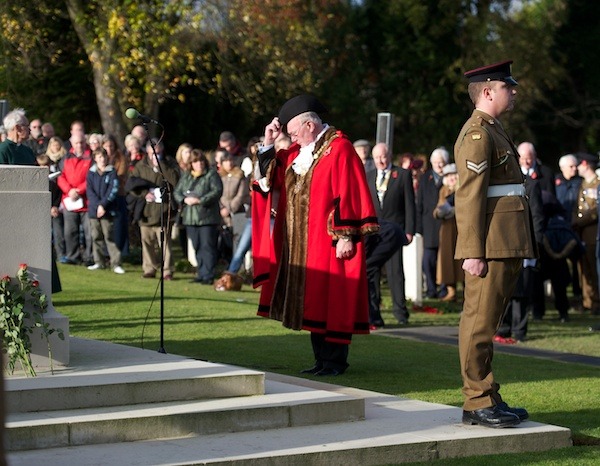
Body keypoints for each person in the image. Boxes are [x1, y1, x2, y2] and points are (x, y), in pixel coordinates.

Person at [252, 94, 378, 376]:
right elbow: (266, 179)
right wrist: (269, 142)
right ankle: (321, 360)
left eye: (294, 132)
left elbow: (350, 191)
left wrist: (346, 235)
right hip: (300, 245)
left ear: (309, 125)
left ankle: (334, 361)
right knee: (313, 302)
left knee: (332, 300)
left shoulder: (340, 148)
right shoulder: (297, 154)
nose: (292, 139)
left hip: (329, 242)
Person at [454, 60, 536, 428]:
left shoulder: (494, 130)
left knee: (489, 322)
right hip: (490, 244)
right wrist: (472, 251)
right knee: (479, 323)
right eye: (508, 86)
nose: (514, 91)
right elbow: (469, 196)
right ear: (488, 91)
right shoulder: (477, 134)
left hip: (505, 241)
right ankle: (476, 399)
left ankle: (487, 394)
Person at [367, 142, 415, 324]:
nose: (381, 160)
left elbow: (410, 205)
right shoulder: (368, 175)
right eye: (377, 157)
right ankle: (374, 314)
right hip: (374, 232)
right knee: (373, 274)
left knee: (395, 273)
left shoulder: (402, 175)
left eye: (384, 156)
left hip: (395, 233)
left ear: (390, 155)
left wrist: (409, 230)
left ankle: (400, 313)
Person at [126, 140, 180, 280]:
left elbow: (175, 181)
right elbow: (131, 185)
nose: (154, 155)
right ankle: (149, 268)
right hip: (146, 210)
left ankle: (167, 270)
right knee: (147, 241)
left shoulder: (169, 164)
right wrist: (144, 194)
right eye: (151, 153)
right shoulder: (141, 165)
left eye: (157, 152)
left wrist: (161, 165)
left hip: (164, 209)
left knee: (165, 243)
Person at [174, 150, 223, 284]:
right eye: (195, 161)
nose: (199, 164)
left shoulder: (211, 174)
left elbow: (217, 191)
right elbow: (177, 191)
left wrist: (201, 200)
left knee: (207, 246)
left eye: (201, 161)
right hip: (190, 217)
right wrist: (184, 200)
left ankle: (208, 275)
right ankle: (201, 273)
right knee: (196, 245)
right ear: (191, 164)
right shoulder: (186, 176)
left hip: (207, 217)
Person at [56, 132, 93, 265]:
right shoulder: (66, 157)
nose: (79, 145)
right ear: (72, 143)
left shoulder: (91, 158)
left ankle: (89, 258)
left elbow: (91, 177)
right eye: (77, 142)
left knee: (89, 233)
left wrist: (79, 190)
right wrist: (69, 190)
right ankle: (73, 256)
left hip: (87, 201)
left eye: (82, 142)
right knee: (70, 231)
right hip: (69, 200)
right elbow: (60, 176)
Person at [86, 148, 125, 274]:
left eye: (103, 157)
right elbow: (90, 192)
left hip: (108, 210)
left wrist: (103, 205)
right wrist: (97, 205)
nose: (102, 159)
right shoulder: (91, 173)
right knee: (96, 236)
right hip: (94, 210)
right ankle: (99, 262)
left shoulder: (111, 171)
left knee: (109, 236)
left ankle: (116, 263)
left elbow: (113, 190)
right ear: (95, 158)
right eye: (99, 157)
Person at [416, 147, 448, 298]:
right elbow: (419, 204)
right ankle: (430, 289)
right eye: (435, 162)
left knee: (444, 259)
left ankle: (444, 289)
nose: (438, 165)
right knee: (428, 260)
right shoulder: (425, 178)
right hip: (428, 225)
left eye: (441, 162)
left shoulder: (452, 178)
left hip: (446, 226)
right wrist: (419, 227)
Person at [573, 152, 600, 314]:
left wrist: (579, 221)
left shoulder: (597, 183)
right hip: (580, 233)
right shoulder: (581, 184)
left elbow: (596, 210)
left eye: (579, 164)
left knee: (594, 268)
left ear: (586, 164)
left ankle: (597, 302)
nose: (577, 168)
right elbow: (576, 208)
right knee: (583, 270)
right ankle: (587, 301)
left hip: (592, 233)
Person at [433, 163, 463, 302]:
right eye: (448, 175)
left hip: (461, 228)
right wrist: (439, 212)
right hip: (446, 230)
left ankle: (466, 290)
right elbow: (438, 207)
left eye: (453, 175)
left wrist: (456, 210)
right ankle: (451, 291)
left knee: (462, 259)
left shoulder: (463, 188)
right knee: (447, 259)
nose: (451, 178)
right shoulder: (443, 190)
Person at [555, 153, 583, 298]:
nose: (575, 169)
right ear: (563, 168)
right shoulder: (556, 183)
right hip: (560, 228)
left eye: (575, 166)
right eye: (571, 166)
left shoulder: (580, 183)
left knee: (578, 261)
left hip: (576, 228)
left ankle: (579, 293)